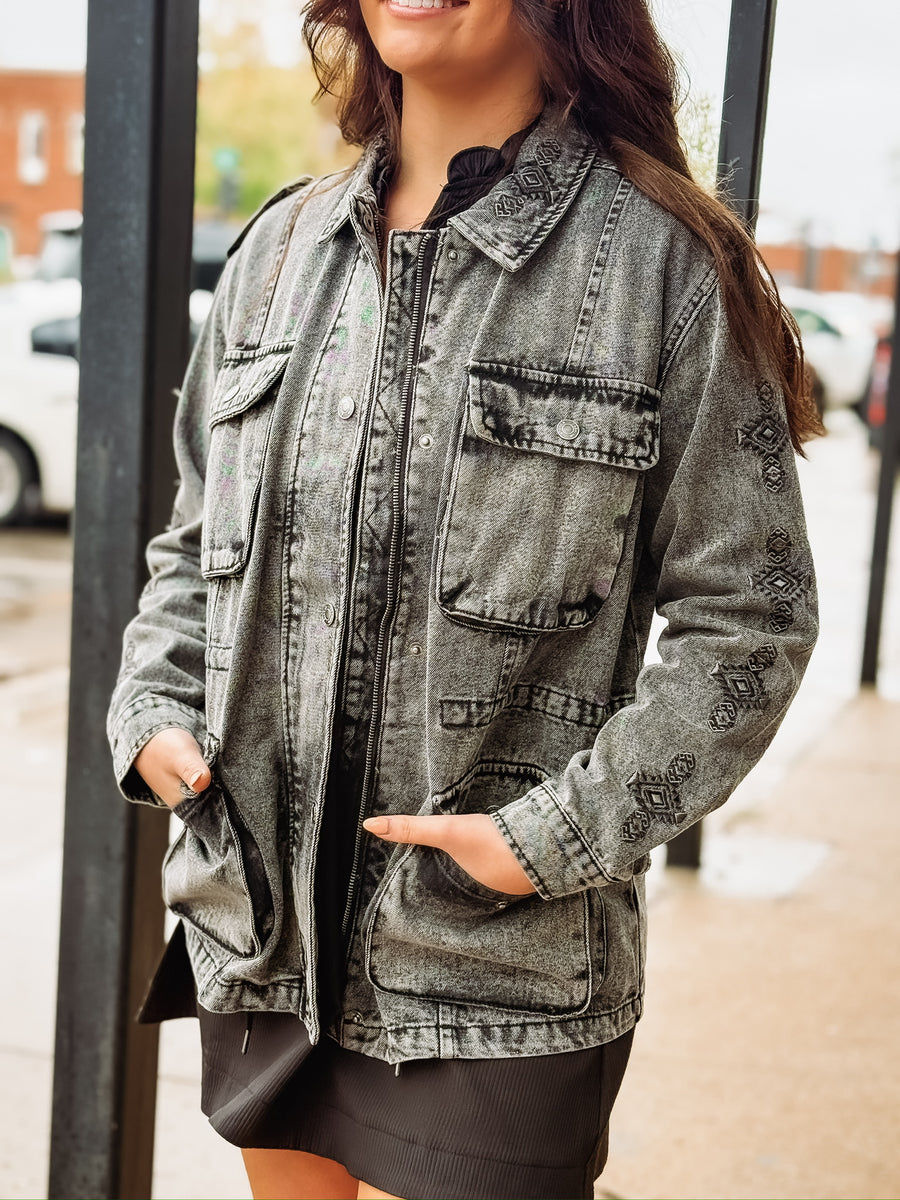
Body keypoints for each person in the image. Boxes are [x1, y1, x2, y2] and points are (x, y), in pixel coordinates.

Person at [107, 0, 821, 1197]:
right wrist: (154, 717)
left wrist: (549, 841)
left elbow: (751, 622)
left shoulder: (664, 266)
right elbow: (189, 546)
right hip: (264, 939)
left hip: (501, 969)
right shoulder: (277, 253)